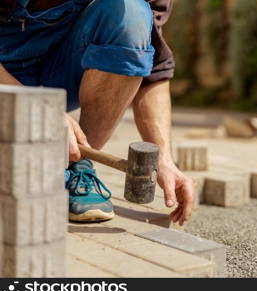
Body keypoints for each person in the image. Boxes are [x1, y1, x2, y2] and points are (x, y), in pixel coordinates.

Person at [0, 0, 194, 225]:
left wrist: (164, 158)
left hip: (60, 66)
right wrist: (36, 105)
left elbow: (152, 68)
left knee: (132, 13)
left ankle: (77, 165)